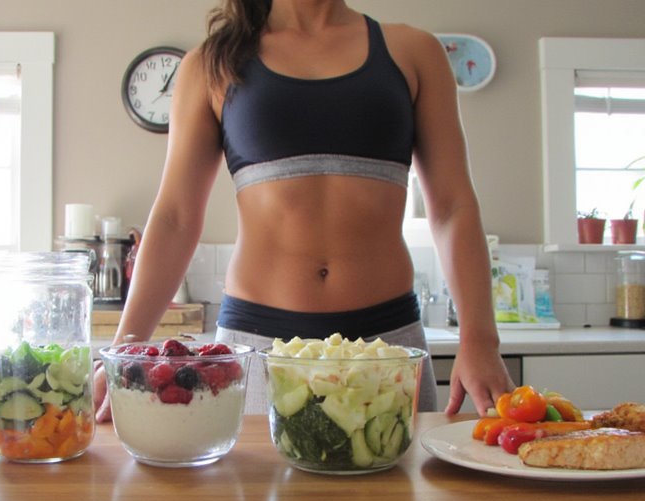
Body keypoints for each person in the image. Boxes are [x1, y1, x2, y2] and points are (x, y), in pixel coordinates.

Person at [93, 0, 513, 422]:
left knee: (397, 489)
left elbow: (453, 206)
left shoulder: (415, 52)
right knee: (251, 491)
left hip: (388, 348)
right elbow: (175, 218)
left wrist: (480, 339)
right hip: (258, 349)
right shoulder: (210, 64)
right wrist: (126, 348)